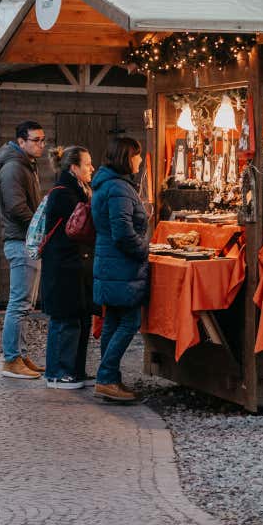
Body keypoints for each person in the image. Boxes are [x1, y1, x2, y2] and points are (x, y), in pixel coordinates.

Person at [90, 135, 149, 402]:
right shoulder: (118, 188)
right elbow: (123, 232)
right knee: (129, 321)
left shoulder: (107, 185)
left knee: (114, 320)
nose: (139, 160)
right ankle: (106, 378)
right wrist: (144, 249)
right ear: (126, 157)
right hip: (121, 266)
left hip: (110, 263)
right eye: (136, 155)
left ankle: (109, 377)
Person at [0, 120, 46, 379]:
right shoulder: (14, 167)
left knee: (25, 304)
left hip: (25, 240)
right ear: (21, 141)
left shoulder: (24, 165)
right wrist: (38, 226)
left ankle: (20, 355)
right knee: (19, 304)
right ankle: (11, 359)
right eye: (36, 140)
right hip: (21, 241)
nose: (41, 145)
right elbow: (15, 207)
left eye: (43, 140)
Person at [41, 146, 96, 389]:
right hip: (64, 266)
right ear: (74, 168)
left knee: (78, 318)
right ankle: (59, 373)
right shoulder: (63, 193)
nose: (92, 168)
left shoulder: (78, 190)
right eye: (87, 164)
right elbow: (82, 226)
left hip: (75, 265)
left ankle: (73, 370)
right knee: (66, 319)